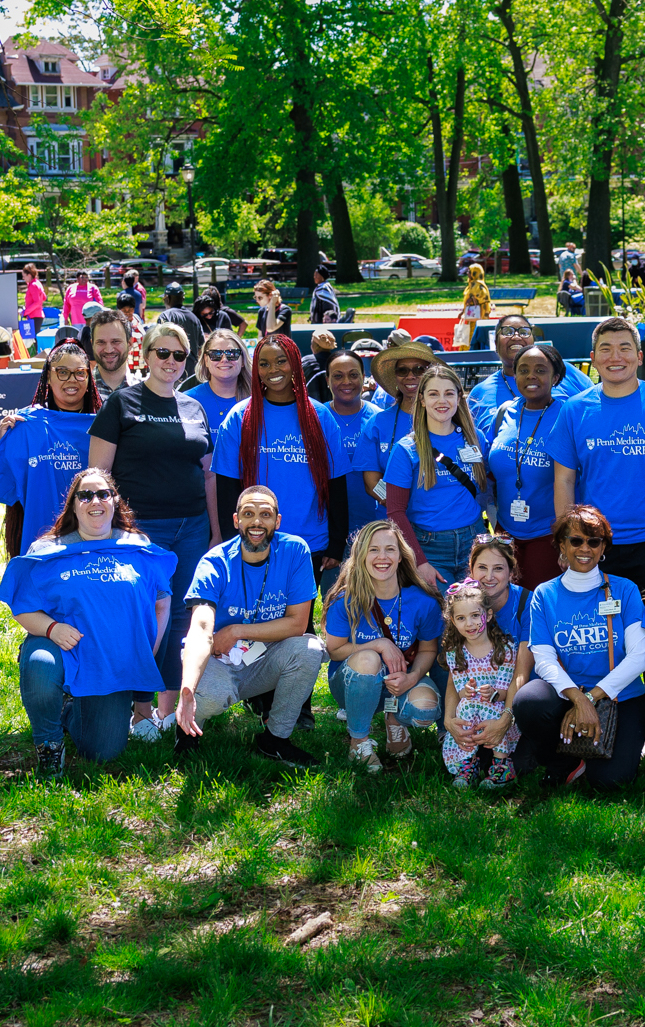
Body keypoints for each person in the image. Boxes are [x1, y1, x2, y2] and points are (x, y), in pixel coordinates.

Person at [0, 469, 180, 772]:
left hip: (109, 661)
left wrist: (147, 651)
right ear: (73, 505)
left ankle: (69, 709)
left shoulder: (137, 545)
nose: (94, 501)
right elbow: (22, 608)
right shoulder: (48, 550)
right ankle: (49, 744)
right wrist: (52, 628)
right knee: (41, 665)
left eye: (102, 494)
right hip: (60, 645)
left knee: (103, 751)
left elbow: (162, 601)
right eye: (85, 495)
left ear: (115, 501)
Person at [89, 321, 218, 737]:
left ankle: (168, 709)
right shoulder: (121, 404)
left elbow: (209, 476)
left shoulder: (194, 408)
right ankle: (140, 709)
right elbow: (97, 476)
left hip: (194, 527)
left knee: (183, 616)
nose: (170, 361)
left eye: (178, 355)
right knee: (146, 617)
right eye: (162, 353)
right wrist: (107, 532)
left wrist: (216, 532)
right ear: (143, 356)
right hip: (140, 531)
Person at [170, 487, 327, 765]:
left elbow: (298, 623)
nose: (257, 522)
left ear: (277, 521)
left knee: (310, 648)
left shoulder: (295, 551)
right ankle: (187, 731)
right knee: (206, 697)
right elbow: (201, 628)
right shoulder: (214, 562)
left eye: (265, 515)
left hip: (263, 659)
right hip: (218, 659)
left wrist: (236, 631)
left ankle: (275, 740)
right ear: (236, 520)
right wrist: (187, 690)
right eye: (248, 514)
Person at [547, 319, 645, 589]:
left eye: (624, 348)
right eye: (605, 349)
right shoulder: (574, 410)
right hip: (593, 542)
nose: (615, 357)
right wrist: (569, 539)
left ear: (639, 357)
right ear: (593, 359)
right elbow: (564, 480)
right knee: (602, 627)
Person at [511, 506, 645, 789]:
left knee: (611, 781)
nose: (584, 548)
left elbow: (639, 658)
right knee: (528, 701)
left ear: (604, 548)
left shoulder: (625, 590)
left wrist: (591, 698)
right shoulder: (544, 594)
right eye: (576, 540)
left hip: (620, 697)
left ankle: (584, 753)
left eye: (594, 541)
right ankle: (563, 760)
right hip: (566, 696)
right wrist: (578, 698)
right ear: (562, 546)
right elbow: (544, 659)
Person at [214, 333, 352, 567]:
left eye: (281, 361)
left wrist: (337, 543)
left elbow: (336, 483)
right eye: (264, 364)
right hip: (254, 541)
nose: (273, 370)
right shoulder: (239, 418)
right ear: (255, 369)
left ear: (295, 364)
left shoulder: (320, 417)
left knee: (300, 606)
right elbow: (227, 487)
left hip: (310, 543)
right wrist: (233, 541)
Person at [322, 520, 445, 772]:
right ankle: (359, 741)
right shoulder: (345, 600)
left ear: (401, 556)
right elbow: (334, 649)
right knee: (368, 658)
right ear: (361, 556)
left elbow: (428, 650)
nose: (382, 557)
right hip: (353, 683)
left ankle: (394, 719)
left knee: (426, 710)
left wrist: (412, 678)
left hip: (400, 682)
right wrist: (378, 644)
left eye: (390, 549)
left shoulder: (423, 602)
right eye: (373, 549)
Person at [0, 340, 102, 555]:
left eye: (79, 372)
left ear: (88, 376)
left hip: (94, 544)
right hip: (41, 546)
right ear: (48, 376)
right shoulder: (27, 426)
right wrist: (5, 443)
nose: (72, 380)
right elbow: (2, 489)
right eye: (63, 372)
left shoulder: (103, 428)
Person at [378, 365, 489, 590]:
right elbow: (395, 511)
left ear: (459, 398)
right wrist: (419, 561)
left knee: (477, 616)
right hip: (430, 548)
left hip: (474, 541)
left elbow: (488, 488)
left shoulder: (475, 439)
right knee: (443, 618)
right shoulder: (406, 449)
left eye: (449, 393)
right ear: (421, 400)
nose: (442, 400)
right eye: (433, 394)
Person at [485, 344, 575, 585]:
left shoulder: (568, 415)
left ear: (555, 377)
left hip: (547, 537)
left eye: (540, 370)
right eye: (523, 370)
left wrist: (567, 539)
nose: (531, 376)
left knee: (539, 611)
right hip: (504, 533)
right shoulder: (505, 413)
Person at [436, 579, 522, 788]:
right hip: (471, 713)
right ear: (453, 622)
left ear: (488, 615)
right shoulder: (455, 653)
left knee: (491, 706)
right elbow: (459, 691)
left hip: (498, 711)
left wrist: (493, 694)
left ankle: (502, 765)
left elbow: (505, 690)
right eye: (461, 618)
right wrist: (466, 691)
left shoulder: (505, 648)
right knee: (465, 705)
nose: (470, 624)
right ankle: (468, 763)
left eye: (475, 616)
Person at [317, 348, 384, 549]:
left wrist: (385, 499)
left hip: (374, 523)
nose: (346, 382)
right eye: (338, 376)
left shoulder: (380, 419)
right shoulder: (315, 418)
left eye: (353, 375)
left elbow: (388, 475)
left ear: (363, 378)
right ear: (327, 379)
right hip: (328, 526)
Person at [467, 314, 589, 422]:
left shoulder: (563, 371)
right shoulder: (480, 393)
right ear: (495, 345)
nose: (516, 337)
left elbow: (596, 403)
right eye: (507, 331)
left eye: (524, 332)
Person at [186, 327, 249, 428]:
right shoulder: (188, 400)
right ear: (206, 360)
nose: (224, 359)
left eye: (232, 353)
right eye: (216, 354)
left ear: (243, 360)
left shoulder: (257, 400)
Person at [83, 306, 139, 394]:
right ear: (92, 344)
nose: (108, 350)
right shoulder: (81, 391)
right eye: (101, 342)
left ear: (130, 343)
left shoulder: (144, 393)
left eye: (115, 341)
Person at [455, 264, 492, 349]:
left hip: (479, 318)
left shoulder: (480, 286)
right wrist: (463, 311)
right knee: (468, 335)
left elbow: (485, 301)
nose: (468, 273)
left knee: (475, 336)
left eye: (469, 271)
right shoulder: (471, 284)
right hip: (471, 317)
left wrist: (474, 300)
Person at [19, 263, 48, 336]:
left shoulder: (33, 285)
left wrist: (25, 312)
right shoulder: (37, 283)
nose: (23, 278)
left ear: (29, 275)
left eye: (24, 276)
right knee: (34, 338)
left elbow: (37, 302)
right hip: (37, 315)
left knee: (32, 340)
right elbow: (44, 297)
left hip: (34, 316)